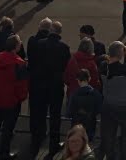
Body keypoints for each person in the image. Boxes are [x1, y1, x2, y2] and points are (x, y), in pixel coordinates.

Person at [28, 19, 72, 158]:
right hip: (55, 85)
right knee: (55, 115)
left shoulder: (39, 44)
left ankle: (37, 139)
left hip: (39, 84)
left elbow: (33, 62)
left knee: (39, 112)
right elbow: (66, 65)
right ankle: (54, 143)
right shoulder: (64, 47)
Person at [0, 35, 29, 160]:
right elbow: (22, 85)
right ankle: (4, 153)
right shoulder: (19, 63)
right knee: (7, 130)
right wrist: (21, 97)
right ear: (16, 46)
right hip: (11, 101)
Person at [98, 40, 126, 160]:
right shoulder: (125, 69)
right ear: (121, 53)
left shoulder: (103, 67)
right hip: (124, 106)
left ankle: (110, 156)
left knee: (108, 134)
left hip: (108, 104)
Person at [67, 69, 104, 143]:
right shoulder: (96, 94)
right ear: (89, 78)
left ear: (78, 80)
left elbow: (69, 111)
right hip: (90, 124)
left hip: (76, 125)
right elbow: (99, 109)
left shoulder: (74, 94)